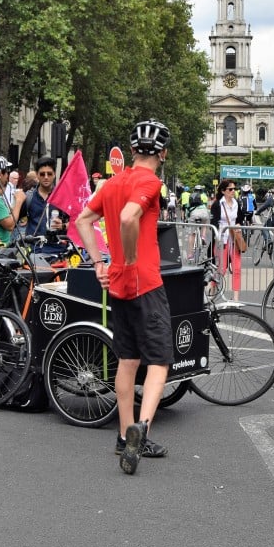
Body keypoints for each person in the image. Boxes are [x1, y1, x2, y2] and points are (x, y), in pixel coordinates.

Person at [75, 119, 173, 475]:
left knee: (128, 360)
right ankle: (141, 430)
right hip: (145, 282)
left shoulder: (113, 182)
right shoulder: (150, 181)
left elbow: (84, 219)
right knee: (160, 362)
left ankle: (123, 434)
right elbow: (131, 216)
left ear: (132, 150)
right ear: (163, 153)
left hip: (116, 283)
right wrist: (131, 255)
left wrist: (99, 261)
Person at [20, 156, 67, 255]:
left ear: (54, 174)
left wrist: (63, 226)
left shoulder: (64, 197)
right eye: (42, 174)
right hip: (34, 253)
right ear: (37, 175)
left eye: (49, 174)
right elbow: (12, 222)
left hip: (58, 252)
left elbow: (77, 223)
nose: (46, 177)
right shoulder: (29, 197)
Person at [211, 178, 244, 301]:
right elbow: (213, 223)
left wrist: (239, 226)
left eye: (234, 189)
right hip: (222, 240)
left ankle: (236, 299)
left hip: (234, 239)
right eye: (230, 189)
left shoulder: (236, 203)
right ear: (223, 191)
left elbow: (239, 219)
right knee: (221, 269)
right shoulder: (217, 204)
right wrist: (219, 234)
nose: (233, 191)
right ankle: (212, 292)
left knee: (237, 268)